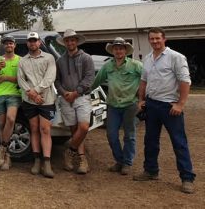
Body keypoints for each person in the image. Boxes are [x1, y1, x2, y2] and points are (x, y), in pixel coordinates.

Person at [134, 27, 195, 194]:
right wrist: (141, 100)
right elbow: (143, 81)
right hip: (152, 105)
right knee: (150, 141)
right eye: (152, 39)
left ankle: (187, 178)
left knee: (179, 143)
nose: (154, 41)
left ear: (164, 39)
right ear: (149, 40)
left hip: (169, 107)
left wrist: (180, 104)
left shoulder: (176, 57)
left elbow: (185, 81)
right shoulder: (147, 59)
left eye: (157, 38)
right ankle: (151, 171)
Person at [92, 37, 142, 175]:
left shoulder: (136, 65)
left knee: (129, 135)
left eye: (121, 48)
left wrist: (142, 98)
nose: (118, 51)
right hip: (113, 105)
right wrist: (83, 93)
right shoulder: (107, 66)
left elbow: (146, 80)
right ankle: (119, 160)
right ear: (112, 50)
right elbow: (96, 82)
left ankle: (127, 163)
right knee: (111, 134)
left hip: (130, 104)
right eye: (116, 48)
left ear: (125, 50)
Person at [55, 29, 95, 174]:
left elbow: (89, 78)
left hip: (82, 97)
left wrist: (76, 92)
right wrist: (64, 92)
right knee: (74, 130)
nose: (70, 42)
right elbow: (57, 80)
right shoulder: (60, 60)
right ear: (64, 42)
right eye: (67, 40)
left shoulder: (86, 58)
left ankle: (70, 152)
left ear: (76, 41)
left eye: (72, 40)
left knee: (84, 127)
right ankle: (81, 158)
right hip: (66, 98)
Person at [18, 32, 57, 178]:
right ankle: (36, 160)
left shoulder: (49, 58)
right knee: (34, 128)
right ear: (27, 43)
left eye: (34, 40)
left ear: (39, 42)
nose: (32, 43)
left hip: (46, 100)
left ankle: (47, 163)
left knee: (45, 129)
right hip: (30, 100)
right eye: (30, 41)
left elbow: (50, 77)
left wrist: (36, 91)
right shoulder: (23, 61)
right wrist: (32, 94)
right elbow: (21, 80)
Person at [0, 35, 22, 170]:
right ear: (3, 46)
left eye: (11, 43)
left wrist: (7, 77)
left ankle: (2, 148)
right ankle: (6, 155)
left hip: (14, 94)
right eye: (6, 44)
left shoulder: (20, 60)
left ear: (14, 45)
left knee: (10, 119)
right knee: (1, 124)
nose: (9, 45)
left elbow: (21, 80)